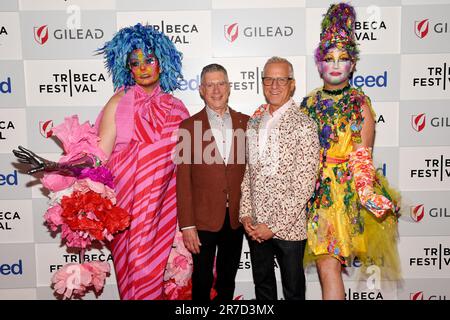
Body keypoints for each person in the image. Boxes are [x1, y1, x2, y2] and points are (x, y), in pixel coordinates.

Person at [13, 23, 190, 300]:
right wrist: (57, 166)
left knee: (154, 273)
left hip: (162, 211)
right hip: (125, 209)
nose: (143, 67)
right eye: (135, 62)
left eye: (149, 60)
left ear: (162, 62)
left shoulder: (178, 108)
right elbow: (99, 155)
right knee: (133, 271)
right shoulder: (119, 102)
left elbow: (188, 167)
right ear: (127, 67)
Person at [300, 3, 401, 300]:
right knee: (325, 267)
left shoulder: (359, 104)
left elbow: (361, 156)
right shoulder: (308, 103)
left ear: (353, 65)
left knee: (329, 266)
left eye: (343, 58)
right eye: (328, 58)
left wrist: (372, 197)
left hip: (342, 195)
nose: (335, 64)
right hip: (314, 195)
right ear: (319, 64)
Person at [239, 56, 320, 300]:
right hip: (255, 226)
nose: (274, 85)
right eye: (268, 79)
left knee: (293, 292)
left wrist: (273, 226)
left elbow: (304, 184)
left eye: (281, 79)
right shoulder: (254, 123)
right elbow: (248, 174)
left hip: (288, 228)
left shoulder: (304, 125)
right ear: (262, 82)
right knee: (263, 289)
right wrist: (245, 214)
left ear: (292, 84)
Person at [176, 63, 249, 301]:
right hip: (202, 219)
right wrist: (187, 225)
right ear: (201, 90)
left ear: (229, 87)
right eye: (210, 85)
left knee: (228, 279)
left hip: (235, 219)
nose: (216, 90)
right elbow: (183, 179)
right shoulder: (188, 126)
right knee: (202, 280)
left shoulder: (246, 123)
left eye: (220, 84)